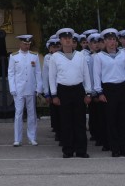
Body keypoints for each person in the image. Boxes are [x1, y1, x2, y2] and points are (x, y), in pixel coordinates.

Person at [49, 27, 92, 158]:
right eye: (64, 39)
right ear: (61, 41)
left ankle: (81, 150)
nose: (67, 41)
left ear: (73, 40)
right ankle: (68, 150)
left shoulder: (80, 56)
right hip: (63, 91)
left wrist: (88, 93)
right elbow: (52, 77)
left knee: (79, 122)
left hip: (78, 90)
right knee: (66, 122)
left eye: (69, 38)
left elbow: (86, 75)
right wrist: (54, 95)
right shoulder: (55, 57)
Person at [92, 29, 125, 157]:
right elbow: (96, 75)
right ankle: (115, 148)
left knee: (124, 120)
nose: (112, 42)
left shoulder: (123, 54)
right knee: (111, 120)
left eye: (114, 40)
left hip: (121, 88)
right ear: (104, 42)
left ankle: (124, 148)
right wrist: (99, 92)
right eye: (109, 40)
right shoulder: (99, 57)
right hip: (108, 89)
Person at [8, 34, 41, 147]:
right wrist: (12, 88)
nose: (27, 46)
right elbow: (11, 74)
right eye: (25, 44)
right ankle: (17, 139)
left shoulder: (34, 56)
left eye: (28, 44)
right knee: (18, 114)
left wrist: (38, 87)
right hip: (18, 89)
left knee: (32, 114)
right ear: (20, 44)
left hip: (31, 88)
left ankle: (32, 138)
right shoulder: (14, 56)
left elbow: (38, 73)